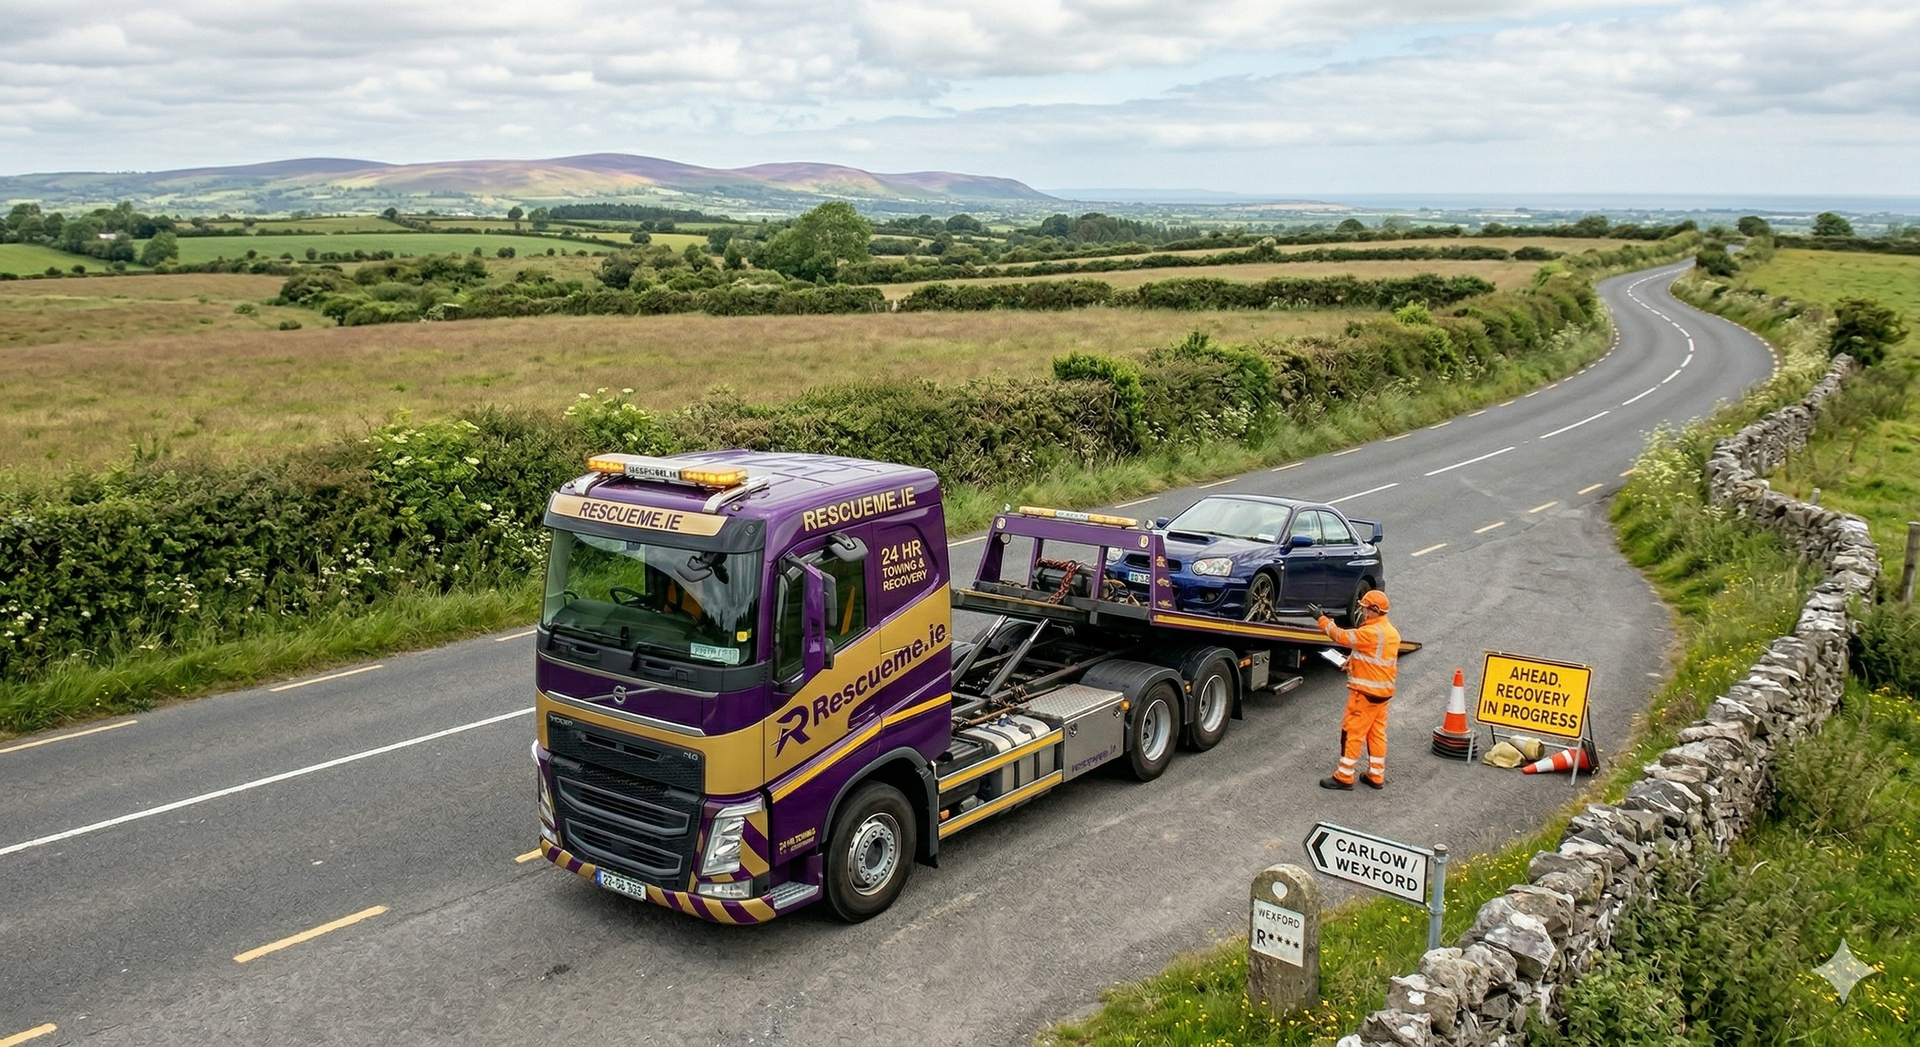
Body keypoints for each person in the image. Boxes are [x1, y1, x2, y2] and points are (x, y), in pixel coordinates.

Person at [1307, 589, 1398, 790]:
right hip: (1382, 694)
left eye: (1365, 609)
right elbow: (1375, 660)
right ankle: (1376, 775)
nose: (1363, 613)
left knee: (1352, 733)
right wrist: (1351, 663)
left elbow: (1341, 636)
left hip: (1364, 694)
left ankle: (1344, 776)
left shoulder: (1370, 633)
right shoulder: (1390, 633)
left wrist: (1321, 619)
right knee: (1376, 733)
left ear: (1374, 610)